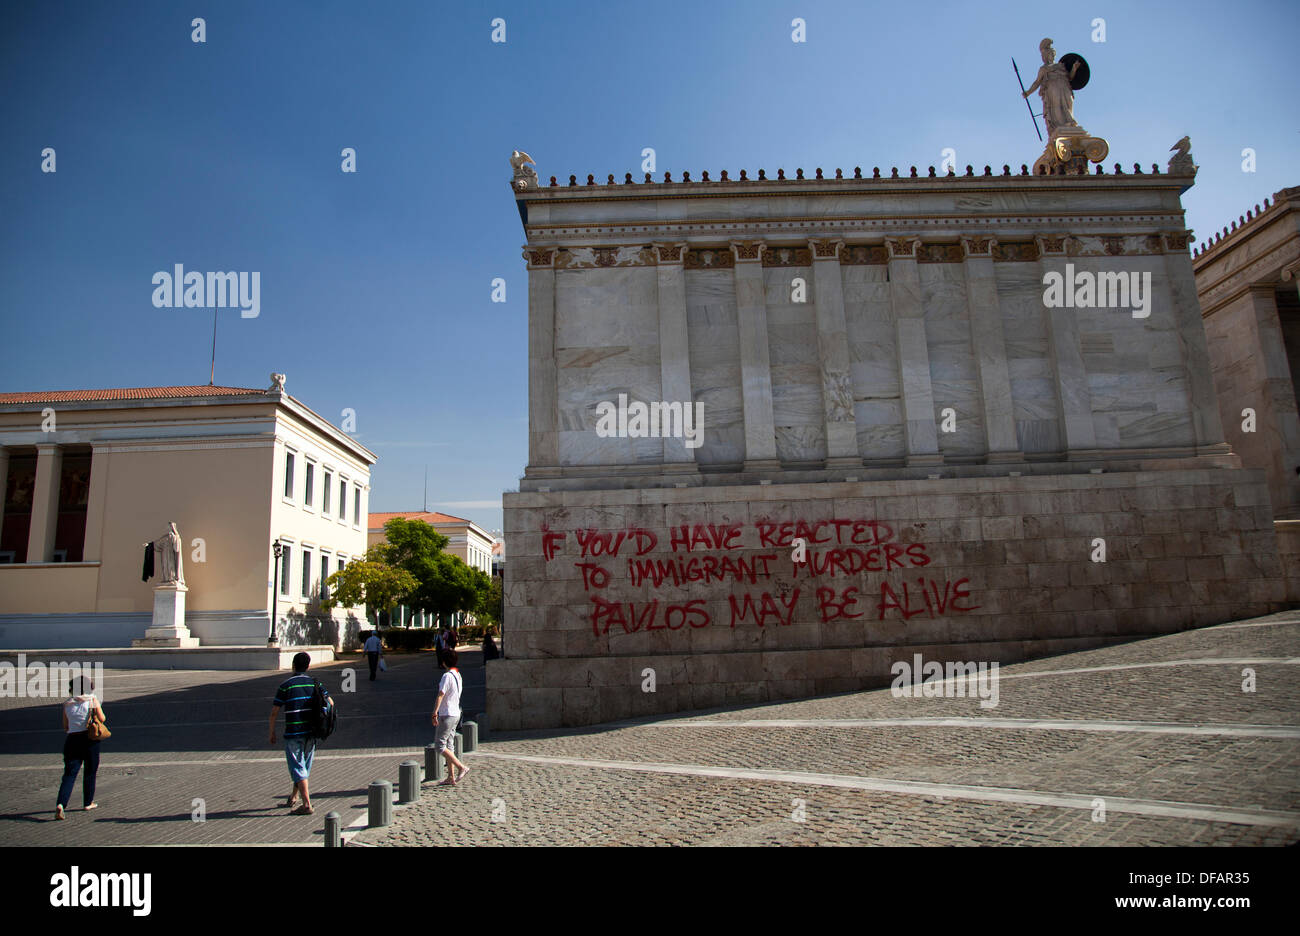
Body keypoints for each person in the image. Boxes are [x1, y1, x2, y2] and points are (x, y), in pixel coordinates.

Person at [269, 652, 332, 815]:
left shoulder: (286, 685)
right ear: (308, 666)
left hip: (293, 732)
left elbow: (274, 711)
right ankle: (294, 797)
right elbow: (330, 702)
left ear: (293, 665)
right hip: (311, 732)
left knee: (298, 766)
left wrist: (272, 731)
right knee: (303, 766)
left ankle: (307, 805)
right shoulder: (314, 684)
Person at [56, 676, 105, 819]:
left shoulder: (67, 704)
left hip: (72, 740)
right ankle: (88, 802)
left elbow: (65, 726)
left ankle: (61, 804)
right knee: (90, 771)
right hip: (89, 739)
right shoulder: (92, 700)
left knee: (69, 774)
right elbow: (102, 719)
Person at [431, 649, 469, 785]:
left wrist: (434, 712)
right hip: (456, 713)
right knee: (449, 744)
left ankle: (461, 767)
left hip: (447, 714)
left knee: (440, 745)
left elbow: (441, 694)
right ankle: (451, 777)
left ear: (443, 661)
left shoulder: (446, 676)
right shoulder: (458, 675)